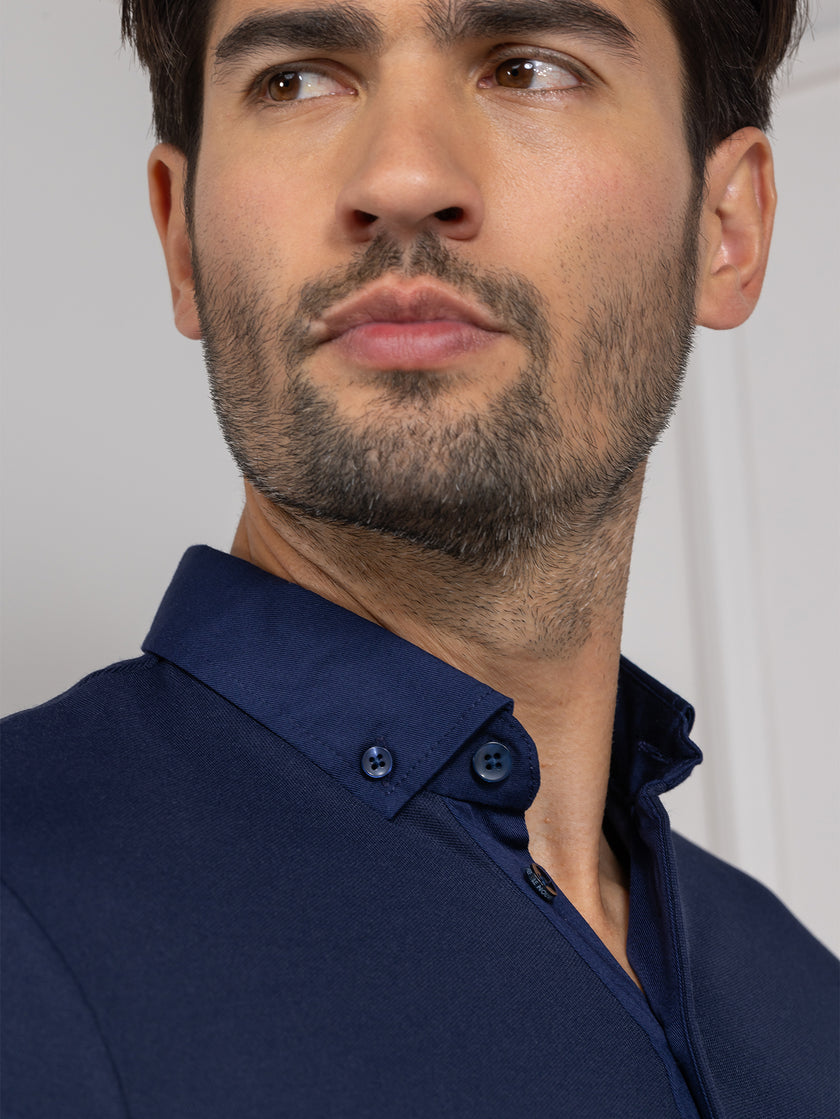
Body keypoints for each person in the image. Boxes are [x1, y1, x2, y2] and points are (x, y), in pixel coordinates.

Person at [2, 0, 837, 1115]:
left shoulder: (806, 1002)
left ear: (725, 226)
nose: (401, 177)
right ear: (182, 238)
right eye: (297, 79)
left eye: (527, 67)